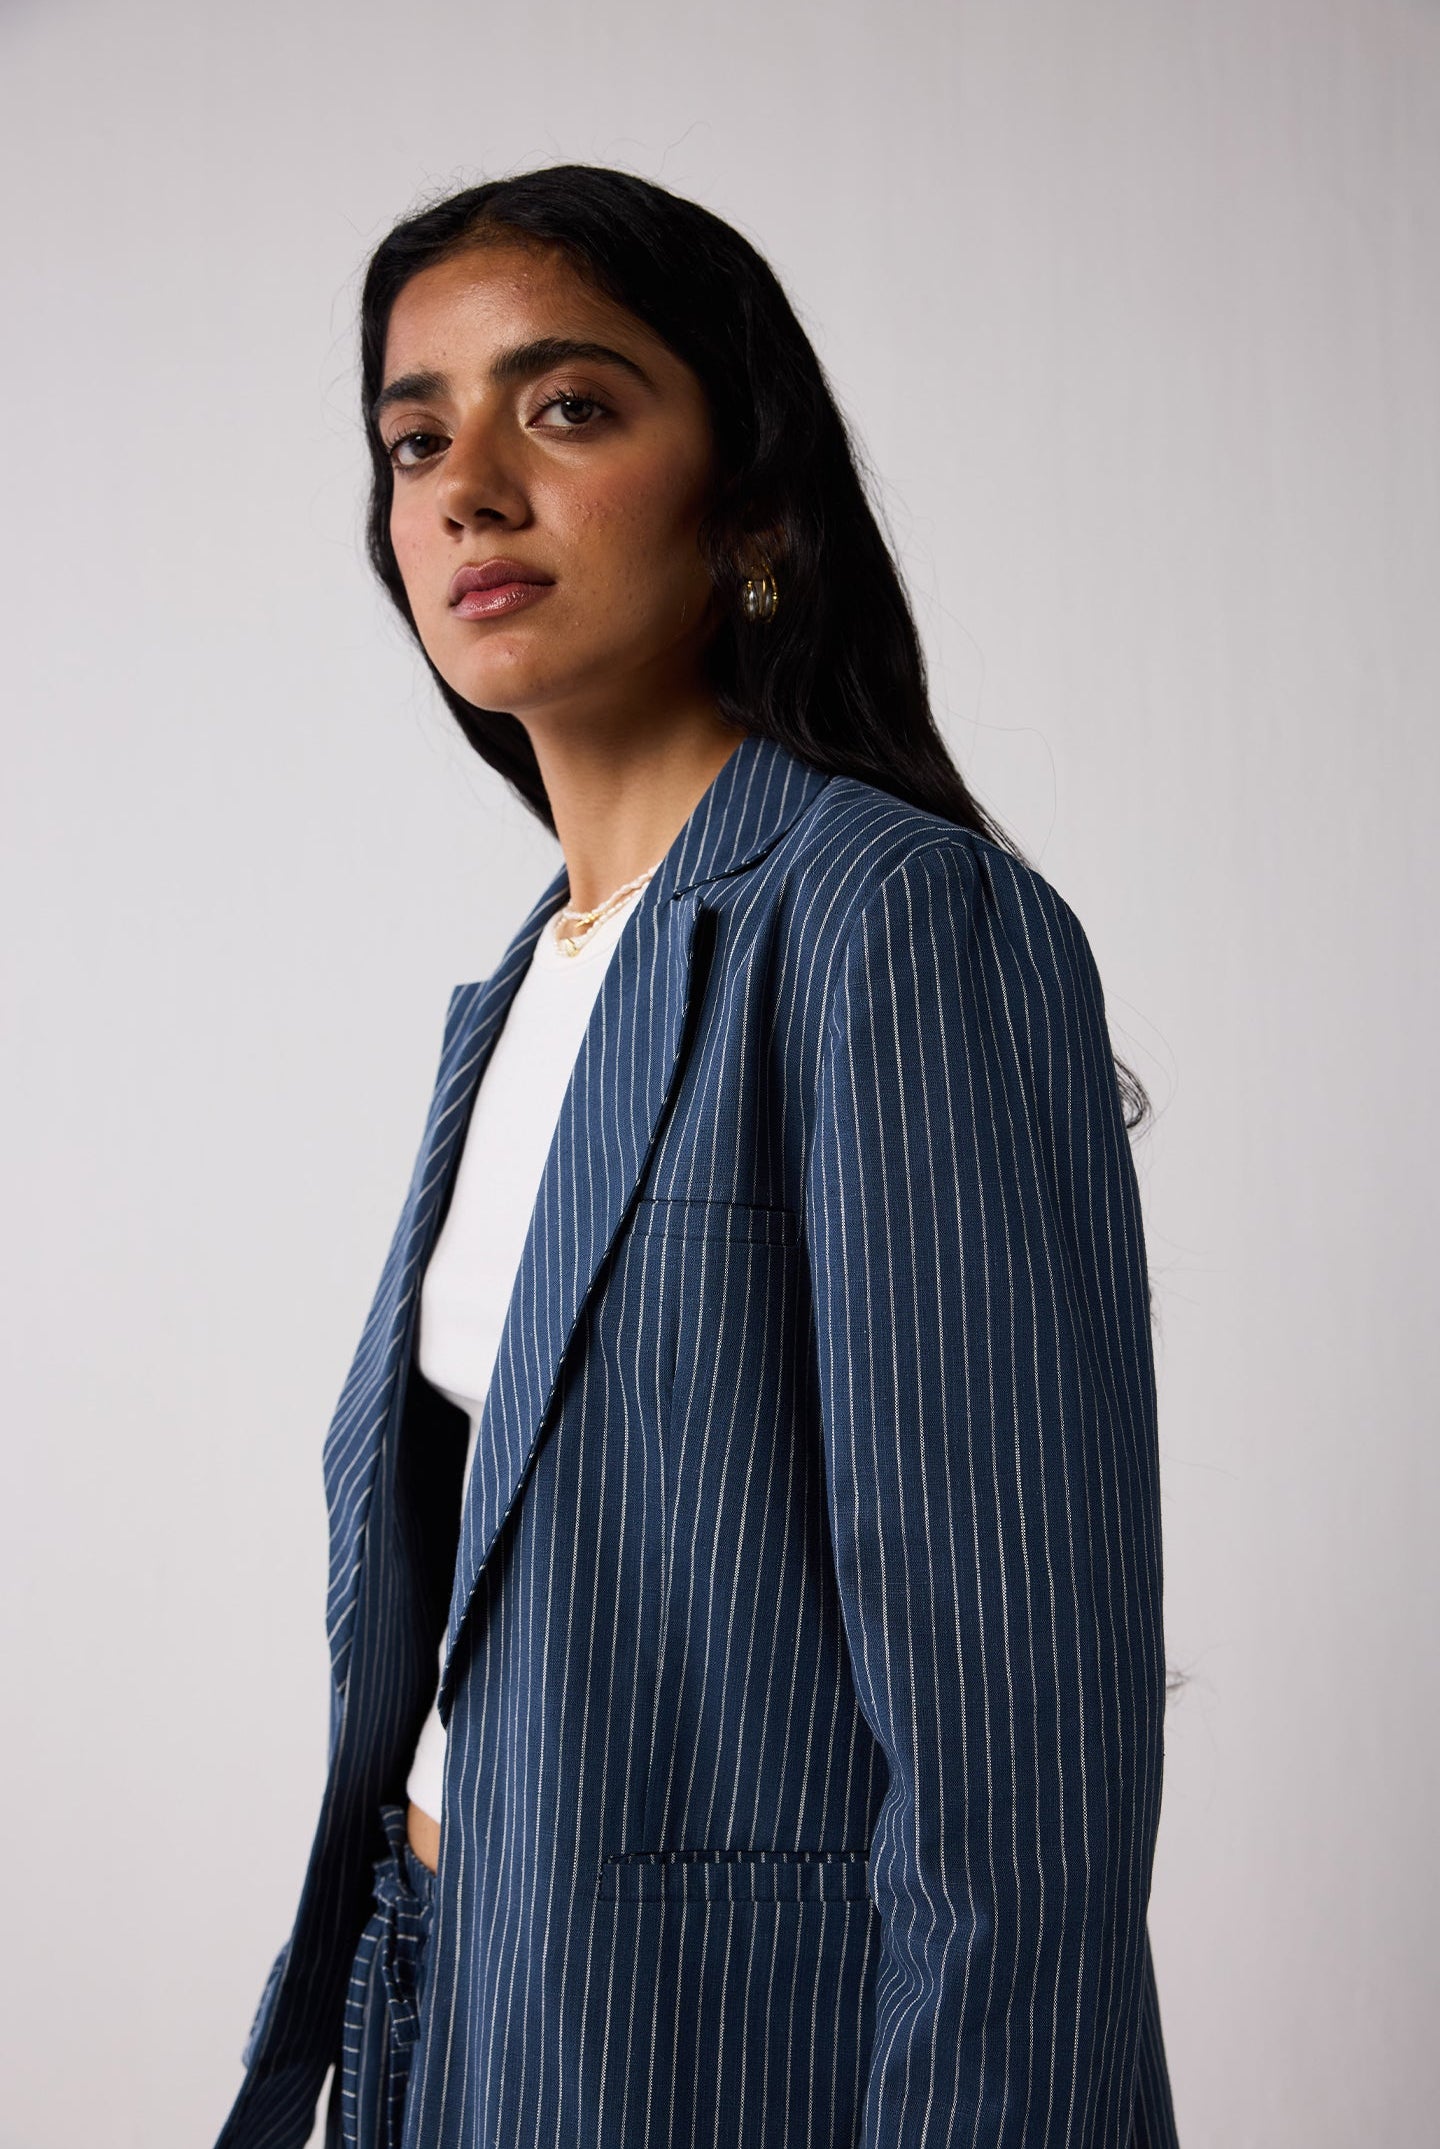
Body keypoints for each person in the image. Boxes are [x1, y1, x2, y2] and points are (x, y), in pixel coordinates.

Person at [214, 164, 1179, 2149]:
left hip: (731, 2066)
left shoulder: (889, 925)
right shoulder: (522, 991)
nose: (466, 481)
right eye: (416, 435)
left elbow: (1016, 1761)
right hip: (458, 2017)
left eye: (563, 406)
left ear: (752, 505)